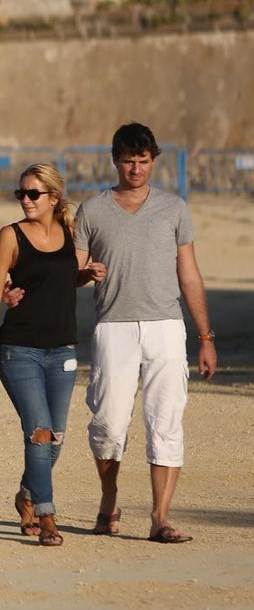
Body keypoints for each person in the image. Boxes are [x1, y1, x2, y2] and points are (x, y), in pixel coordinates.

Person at [72, 123, 215, 544]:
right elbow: (72, 273)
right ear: (115, 160)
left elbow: (189, 275)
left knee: (165, 422)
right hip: (113, 326)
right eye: (128, 160)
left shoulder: (174, 208)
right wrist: (84, 273)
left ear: (154, 161)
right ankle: (109, 498)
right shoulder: (92, 210)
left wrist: (205, 338)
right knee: (108, 426)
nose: (136, 168)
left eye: (144, 160)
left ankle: (160, 517)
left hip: (166, 327)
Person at [0, 164, 104, 547]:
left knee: (56, 440)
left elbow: (62, 279)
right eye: (22, 194)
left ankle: (27, 495)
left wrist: (85, 275)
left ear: (54, 197)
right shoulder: (10, 236)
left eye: (34, 194)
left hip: (63, 350)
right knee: (39, 434)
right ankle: (48, 515)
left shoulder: (70, 234)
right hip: (20, 350)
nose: (26, 200)